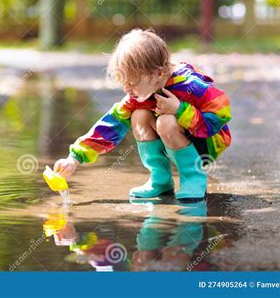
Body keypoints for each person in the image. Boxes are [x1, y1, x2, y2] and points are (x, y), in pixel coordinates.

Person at [54, 28, 232, 203]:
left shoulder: (190, 84)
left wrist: (180, 109)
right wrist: (74, 158)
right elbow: (111, 124)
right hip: (183, 137)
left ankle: (193, 178)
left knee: (166, 122)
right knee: (138, 116)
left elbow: (221, 113)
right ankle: (160, 180)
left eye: (132, 82)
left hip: (207, 143)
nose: (126, 89)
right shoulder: (139, 95)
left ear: (158, 74)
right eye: (125, 83)